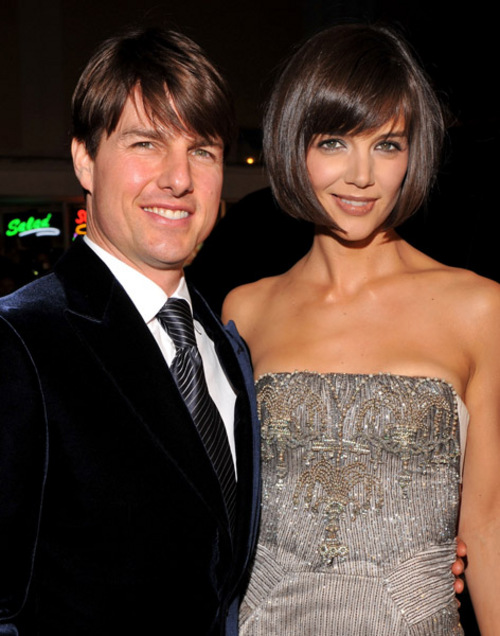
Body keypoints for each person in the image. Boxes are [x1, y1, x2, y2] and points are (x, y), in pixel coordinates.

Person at [223, 23, 500, 634]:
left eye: (387, 145)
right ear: (294, 145)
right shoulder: (246, 310)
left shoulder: (478, 308)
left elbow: (487, 526)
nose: (361, 175)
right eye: (334, 142)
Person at [0, 27, 260, 635]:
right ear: (84, 160)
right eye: (147, 143)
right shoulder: (21, 342)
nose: (178, 179)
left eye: (202, 151)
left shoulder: (226, 347)